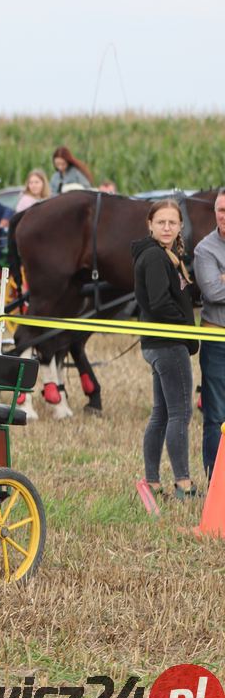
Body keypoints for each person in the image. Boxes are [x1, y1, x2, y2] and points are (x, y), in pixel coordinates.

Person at [133, 199, 199, 499]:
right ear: (150, 224)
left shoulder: (164, 256)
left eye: (173, 222)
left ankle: (153, 482)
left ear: (180, 226)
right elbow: (159, 303)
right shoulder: (156, 258)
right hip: (168, 344)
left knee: (161, 413)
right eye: (161, 222)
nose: (167, 227)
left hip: (157, 344)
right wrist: (184, 325)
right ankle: (183, 484)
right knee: (180, 413)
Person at [193, 188, 225, 480]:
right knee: (216, 414)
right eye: (221, 210)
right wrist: (219, 281)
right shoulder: (205, 249)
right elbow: (213, 292)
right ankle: (215, 480)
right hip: (217, 341)